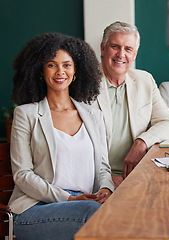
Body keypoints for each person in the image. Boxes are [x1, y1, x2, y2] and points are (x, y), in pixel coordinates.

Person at [9, 32, 114, 240]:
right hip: (36, 208)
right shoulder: (26, 114)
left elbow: (103, 167)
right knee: (95, 214)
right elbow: (22, 175)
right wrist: (67, 199)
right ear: (41, 71)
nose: (60, 71)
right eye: (51, 64)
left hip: (87, 202)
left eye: (67, 65)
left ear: (76, 72)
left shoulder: (94, 116)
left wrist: (106, 188)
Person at [92, 21, 169, 188]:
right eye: (115, 46)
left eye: (128, 49)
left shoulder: (144, 80)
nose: (121, 54)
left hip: (136, 174)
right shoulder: (83, 83)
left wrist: (142, 142)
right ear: (103, 48)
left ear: (135, 54)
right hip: (94, 178)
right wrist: (105, 179)